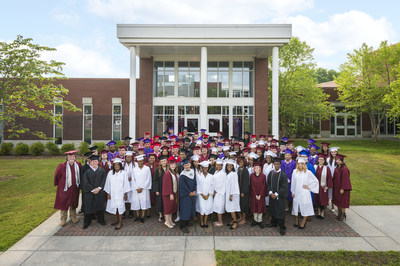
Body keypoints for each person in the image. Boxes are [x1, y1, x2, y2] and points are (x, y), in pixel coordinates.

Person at [54, 150, 82, 226]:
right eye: (70, 157)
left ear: (75, 157)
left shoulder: (78, 164)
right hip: (64, 189)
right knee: (64, 203)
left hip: (74, 188)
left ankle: (73, 217)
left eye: (73, 156)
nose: (71, 158)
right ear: (67, 157)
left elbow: (80, 175)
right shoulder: (62, 166)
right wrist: (58, 184)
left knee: (73, 203)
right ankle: (63, 219)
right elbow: (57, 176)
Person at [291, 157, 319, 229]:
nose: (300, 165)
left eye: (302, 164)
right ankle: (296, 220)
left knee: (305, 206)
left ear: (304, 164)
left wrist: (309, 186)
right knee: (296, 206)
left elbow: (315, 181)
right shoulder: (295, 171)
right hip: (297, 192)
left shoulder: (308, 172)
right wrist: (292, 191)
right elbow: (293, 182)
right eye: (299, 163)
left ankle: (303, 221)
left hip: (304, 192)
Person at [104, 158, 131, 230]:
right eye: (115, 165)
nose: (116, 166)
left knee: (120, 207)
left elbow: (126, 184)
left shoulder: (123, 173)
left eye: (117, 165)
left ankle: (120, 222)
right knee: (113, 207)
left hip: (120, 193)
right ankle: (116, 219)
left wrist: (125, 194)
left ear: (120, 165)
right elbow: (107, 184)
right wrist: (108, 193)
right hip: (112, 193)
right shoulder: (110, 173)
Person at [81, 154, 107, 229]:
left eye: (95, 161)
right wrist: (93, 189)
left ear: (98, 162)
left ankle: (101, 220)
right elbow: (85, 182)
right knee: (89, 207)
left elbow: (104, 180)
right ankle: (86, 222)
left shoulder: (102, 170)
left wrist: (98, 188)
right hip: (90, 192)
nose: (94, 163)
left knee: (100, 206)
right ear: (90, 162)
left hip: (99, 192)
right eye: (92, 161)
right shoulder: (87, 172)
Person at [266, 158, 288, 235]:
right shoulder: (271, 173)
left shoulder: (283, 175)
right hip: (272, 196)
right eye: (275, 164)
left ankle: (282, 227)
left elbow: (284, 187)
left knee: (280, 212)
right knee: (272, 209)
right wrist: (270, 192)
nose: (276, 165)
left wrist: (276, 194)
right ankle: (273, 223)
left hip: (279, 197)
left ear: (280, 165)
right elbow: (268, 184)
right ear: (273, 165)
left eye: (278, 164)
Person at [130, 155, 152, 223]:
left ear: (143, 161)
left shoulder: (147, 168)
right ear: (137, 162)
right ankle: (137, 216)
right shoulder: (134, 169)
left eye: (141, 161)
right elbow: (132, 179)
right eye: (139, 161)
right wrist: (136, 188)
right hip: (136, 189)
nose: (140, 162)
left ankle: (142, 216)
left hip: (144, 189)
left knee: (144, 202)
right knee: (136, 202)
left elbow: (148, 179)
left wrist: (142, 187)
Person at [179, 159, 197, 233]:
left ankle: (187, 222)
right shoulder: (182, 175)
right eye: (185, 165)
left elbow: (195, 182)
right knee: (185, 209)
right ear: (183, 166)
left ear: (190, 164)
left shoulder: (193, 172)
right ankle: (182, 226)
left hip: (192, 194)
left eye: (188, 165)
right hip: (185, 195)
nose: (187, 166)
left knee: (190, 208)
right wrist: (189, 192)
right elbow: (183, 186)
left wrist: (194, 191)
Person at [333, 154, 352, 221]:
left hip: (342, 189)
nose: (338, 161)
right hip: (337, 187)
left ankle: (343, 214)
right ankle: (339, 213)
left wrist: (342, 188)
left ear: (342, 161)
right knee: (338, 201)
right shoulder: (337, 167)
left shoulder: (344, 169)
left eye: (339, 160)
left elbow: (345, 179)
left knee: (343, 202)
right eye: (337, 160)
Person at [314, 154, 333, 219]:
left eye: (322, 159)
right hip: (316, 186)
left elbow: (329, 178)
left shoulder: (326, 168)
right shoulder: (315, 167)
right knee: (317, 199)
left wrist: (328, 186)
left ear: (324, 161)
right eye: (319, 159)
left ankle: (322, 213)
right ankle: (319, 212)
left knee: (323, 200)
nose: (320, 160)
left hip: (323, 187)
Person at [196, 160, 214, 228]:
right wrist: (202, 195)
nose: (205, 169)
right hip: (201, 195)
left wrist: (208, 194)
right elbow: (198, 185)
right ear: (202, 168)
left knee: (207, 208)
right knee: (202, 208)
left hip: (209, 195)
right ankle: (201, 222)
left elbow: (212, 185)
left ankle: (205, 222)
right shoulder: (199, 176)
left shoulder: (211, 176)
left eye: (206, 168)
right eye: (204, 168)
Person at [162, 158, 179, 228]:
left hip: (173, 193)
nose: (173, 165)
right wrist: (170, 193)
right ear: (169, 165)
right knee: (167, 208)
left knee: (171, 208)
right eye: (171, 164)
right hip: (168, 194)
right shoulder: (167, 173)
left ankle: (170, 220)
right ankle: (167, 221)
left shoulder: (173, 172)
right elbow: (167, 184)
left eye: (174, 164)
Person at [250, 162, 267, 229]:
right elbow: (251, 186)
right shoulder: (252, 176)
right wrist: (255, 194)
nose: (257, 169)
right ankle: (255, 220)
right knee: (254, 207)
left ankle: (259, 221)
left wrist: (260, 195)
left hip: (261, 195)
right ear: (254, 168)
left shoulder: (263, 176)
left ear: (260, 168)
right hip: (254, 195)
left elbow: (264, 186)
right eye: (255, 168)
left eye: (258, 167)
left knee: (260, 207)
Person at [225, 160, 241, 229]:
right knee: (230, 208)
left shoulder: (234, 174)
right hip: (228, 193)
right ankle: (233, 220)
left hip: (232, 194)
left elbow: (234, 185)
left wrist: (231, 194)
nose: (229, 166)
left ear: (233, 167)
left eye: (231, 165)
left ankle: (235, 223)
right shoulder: (228, 174)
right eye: (228, 165)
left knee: (232, 209)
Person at [152, 155, 167, 222]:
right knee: (160, 202)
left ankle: (166, 215)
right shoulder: (158, 170)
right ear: (160, 162)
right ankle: (161, 215)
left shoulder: (169, 169)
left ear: (166, 161)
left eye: (164, 161)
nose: (163, 162)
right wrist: (156, 190)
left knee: (166, 202)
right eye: (162, 161)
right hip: (160, 188)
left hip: (167, 188)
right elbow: (155, 180)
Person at [237, 157, 250, 225]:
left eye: (241, 162)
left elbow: (246, 182)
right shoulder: (239, 169)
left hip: (243, 192)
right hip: (239, 191)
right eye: (239, 162)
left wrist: (243, 192)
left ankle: (244, 219)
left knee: (244, 205)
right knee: (240, 205)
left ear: (244, 163)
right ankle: (241, 217)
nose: (240, 163)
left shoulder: (245, 170)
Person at [212, 159, 226, 227]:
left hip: (219, 193)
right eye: (217, 165)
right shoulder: (216, 172)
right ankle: (219, 221)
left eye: (220, 165)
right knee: (217, 207)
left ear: (222, 166)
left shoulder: (223, 174)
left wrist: (215, 191)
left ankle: (220, 222)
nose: (218, 166)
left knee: (219, 208)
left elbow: (220, 184)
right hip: (216, 192)